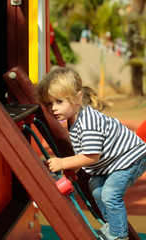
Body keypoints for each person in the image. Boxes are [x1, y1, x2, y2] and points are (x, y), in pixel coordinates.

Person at [36, 66, 146, 240]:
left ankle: (119, 235)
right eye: (49, 103)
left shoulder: (88, 123)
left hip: (131, 157)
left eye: (59, 102)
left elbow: (92, 156)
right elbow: (84, 151)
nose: (53, 108)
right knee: (96, 188)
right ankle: (113, 226)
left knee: (110, 193)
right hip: (113, 161)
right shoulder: (75, 119)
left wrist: (63, 163)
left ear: (78, 98)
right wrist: (75, 168)